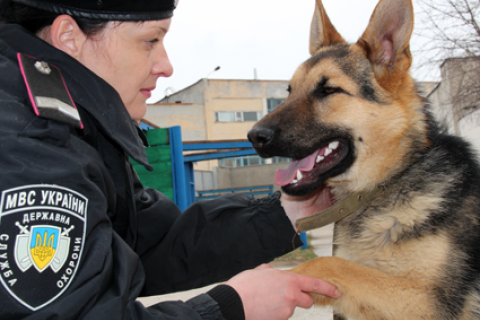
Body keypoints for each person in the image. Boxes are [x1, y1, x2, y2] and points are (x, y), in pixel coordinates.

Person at [0, 0, 340, 319]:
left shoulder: (78, 129)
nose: (166, 66)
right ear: (69, 38)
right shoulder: (31, 145)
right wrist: (230, 307)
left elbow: (155, 247)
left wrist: (291, 211)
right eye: (150, 40)